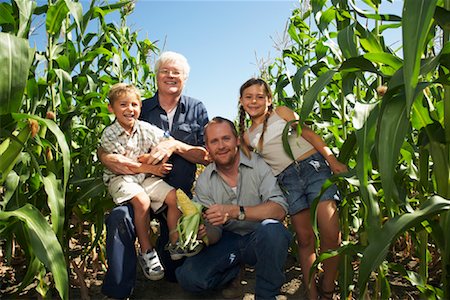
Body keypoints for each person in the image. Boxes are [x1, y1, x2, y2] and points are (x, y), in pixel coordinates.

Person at [100, 52, 209, 299]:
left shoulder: (196, 108)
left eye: (176, 72)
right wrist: (106, 158)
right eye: (165, 71)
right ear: (156, 75)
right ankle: (119, 291)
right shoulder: (139, 107)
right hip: (139, 189)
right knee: (119, 218)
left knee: (174, 273)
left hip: (176, 196)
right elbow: (108, 147)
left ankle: (171, 246)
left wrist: (175, 146)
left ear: (185, 78)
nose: (170, 76)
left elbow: (206, 155)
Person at [237, 78, 348, 300]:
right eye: (248, 97)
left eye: (260, 96)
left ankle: (327, 288)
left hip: (314, 168)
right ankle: (312, 293)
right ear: (241, 102)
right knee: (305, 239)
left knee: (330, 234)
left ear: (269, 100)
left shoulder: (282, 112)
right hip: (287, 181)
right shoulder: (246, 138)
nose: (254, 101)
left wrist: (332, 161)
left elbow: (309, 134)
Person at [175, 117, 292, 300]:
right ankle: (233, 272)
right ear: (207, 147)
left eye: (226, 138)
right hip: (227, 240)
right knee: (189, 278)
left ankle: (266, 294)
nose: (221, 146)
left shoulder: (258, 165)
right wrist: (204, 233)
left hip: (258, 237)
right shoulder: (205, 181)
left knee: (274, 232)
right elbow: (214, 232)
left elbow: (279, 209)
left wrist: (236, 211)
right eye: (214, 141)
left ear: (237, 139)